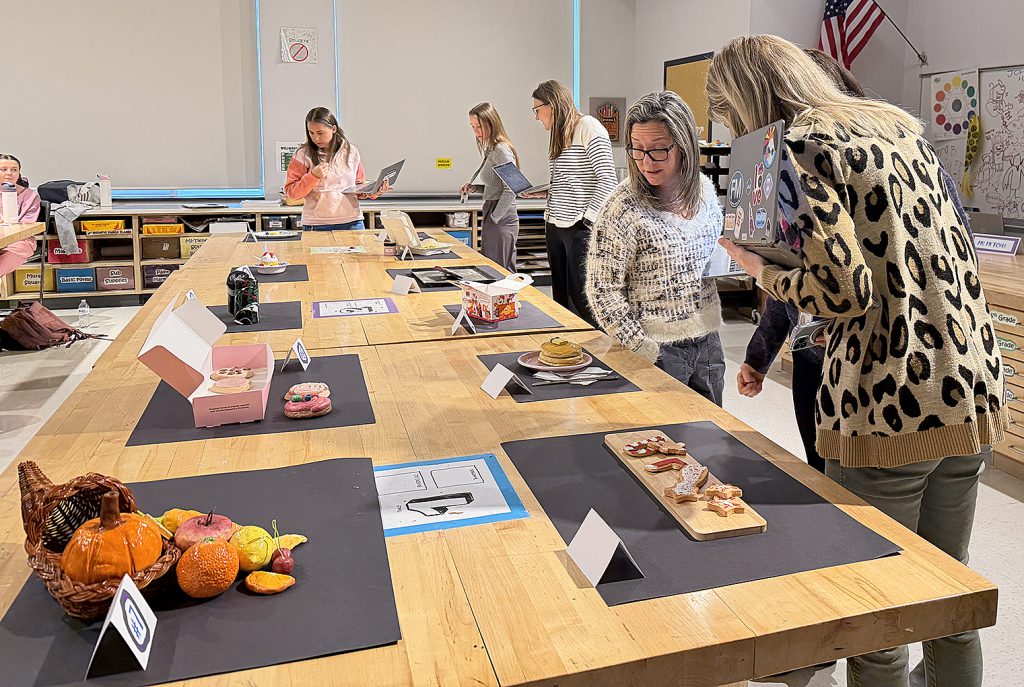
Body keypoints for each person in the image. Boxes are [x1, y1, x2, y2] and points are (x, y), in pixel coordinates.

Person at [708, 35, 1006, 687]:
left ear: (747, 101)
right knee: (946, 601)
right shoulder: (895, 128)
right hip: (969, 388)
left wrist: (761, 269)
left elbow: (843, 291)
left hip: (889, 400)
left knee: (878, 616)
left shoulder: (801, 146)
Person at [739, 49, 977, 475]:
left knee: (855, 511)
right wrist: (760, 355)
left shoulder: (810, 153)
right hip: (945, 370)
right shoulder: (909, 144)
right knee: (827, 480)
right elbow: (804, 269)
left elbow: (839, 287)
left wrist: (762, 272)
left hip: (874, 375)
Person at [585, 91, 725, 405]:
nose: (647, 161)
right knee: (661, 444)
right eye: (637, 149)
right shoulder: (622, 208)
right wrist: (644, 347)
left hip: (707, 342)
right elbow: (601, 290)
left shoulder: (704, 192)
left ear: (684, 145)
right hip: (657, 349)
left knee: (712, 439)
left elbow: (714, 255)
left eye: (659, 150)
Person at [528, 80, 616, 325]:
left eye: (537, 109)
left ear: (552, 105)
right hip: (555, 223)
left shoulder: (588, 126)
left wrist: (587, 220)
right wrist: (547, 192)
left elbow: (608, 179)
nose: (536, 117)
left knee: (583, 298)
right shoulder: (560, 134)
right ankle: (567, 350)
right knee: (561, 298)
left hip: (579, 226)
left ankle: (596, 353)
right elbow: (574, 180)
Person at [285, 107, 387, 230]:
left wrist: (374, 192)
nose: (315, 138)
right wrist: (313, 176)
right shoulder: (302, 154)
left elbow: (358, 187)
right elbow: (292, 193)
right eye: (311, 133)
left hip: (352, 222)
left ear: (333, 129)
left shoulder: (352, 151)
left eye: (320, 133)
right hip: (316, 224)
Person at [459, 103, 520, 271]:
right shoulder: (492, 150)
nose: (476, 132)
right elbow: (497, 186)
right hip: (492, 211)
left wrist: (495, 217)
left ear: (491, 123)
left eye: (479, 126)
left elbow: (511, 189)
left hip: (500, 216)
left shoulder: (501, 150)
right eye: (472, 127)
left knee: (500, 273)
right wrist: (475, 189)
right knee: (491, 270)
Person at [0, 154, 41, 276]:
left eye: (14, 170)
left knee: (9, 255)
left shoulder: (31, 196)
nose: (9, 173)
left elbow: (27, 225)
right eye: (3, 169)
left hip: (19, 241)